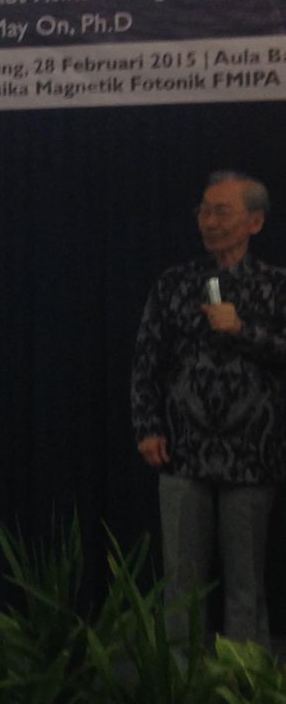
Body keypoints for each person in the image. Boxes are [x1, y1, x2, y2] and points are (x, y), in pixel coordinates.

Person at [132, 170, 286, 649]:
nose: (210, 221)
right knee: (181, 579)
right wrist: (148, 426)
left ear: (255, 222)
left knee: (246, 580)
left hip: (252, 453)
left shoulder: (277, 286)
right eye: (204, 210)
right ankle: (180, 677)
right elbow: (147, 360)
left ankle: (243, 679)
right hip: (182, 450)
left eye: (222, 211)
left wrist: (242, 330)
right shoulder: (175, 283)